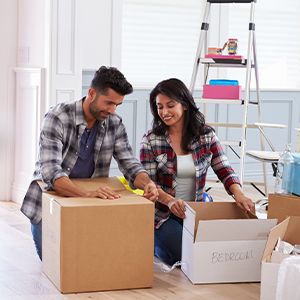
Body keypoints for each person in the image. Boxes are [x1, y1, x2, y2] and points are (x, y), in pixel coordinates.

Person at [21, 66, 158, 260]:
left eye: (117, 105)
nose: (112, 110)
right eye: (109, 103)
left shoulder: (114, 123)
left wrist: (148, 183)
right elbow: (51, 173)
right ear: (92, 93)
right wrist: (87, 193)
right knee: (56, 262)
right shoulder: (57, 117)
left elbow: (130, 164)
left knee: (92, 262)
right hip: (50, 202)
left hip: (91, 205)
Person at [140, 78, 254, 266]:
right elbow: (149, 184)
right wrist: (169, 201)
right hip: (162, 215)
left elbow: (223, 168)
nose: (164, 112)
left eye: (170, 105)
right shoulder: (151, 139)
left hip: (195, 209)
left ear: (184, 105)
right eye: (159, 107)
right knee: (183, 256)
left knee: (214, 251)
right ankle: (153, 241)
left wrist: (239, 194)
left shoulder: (206, 135)